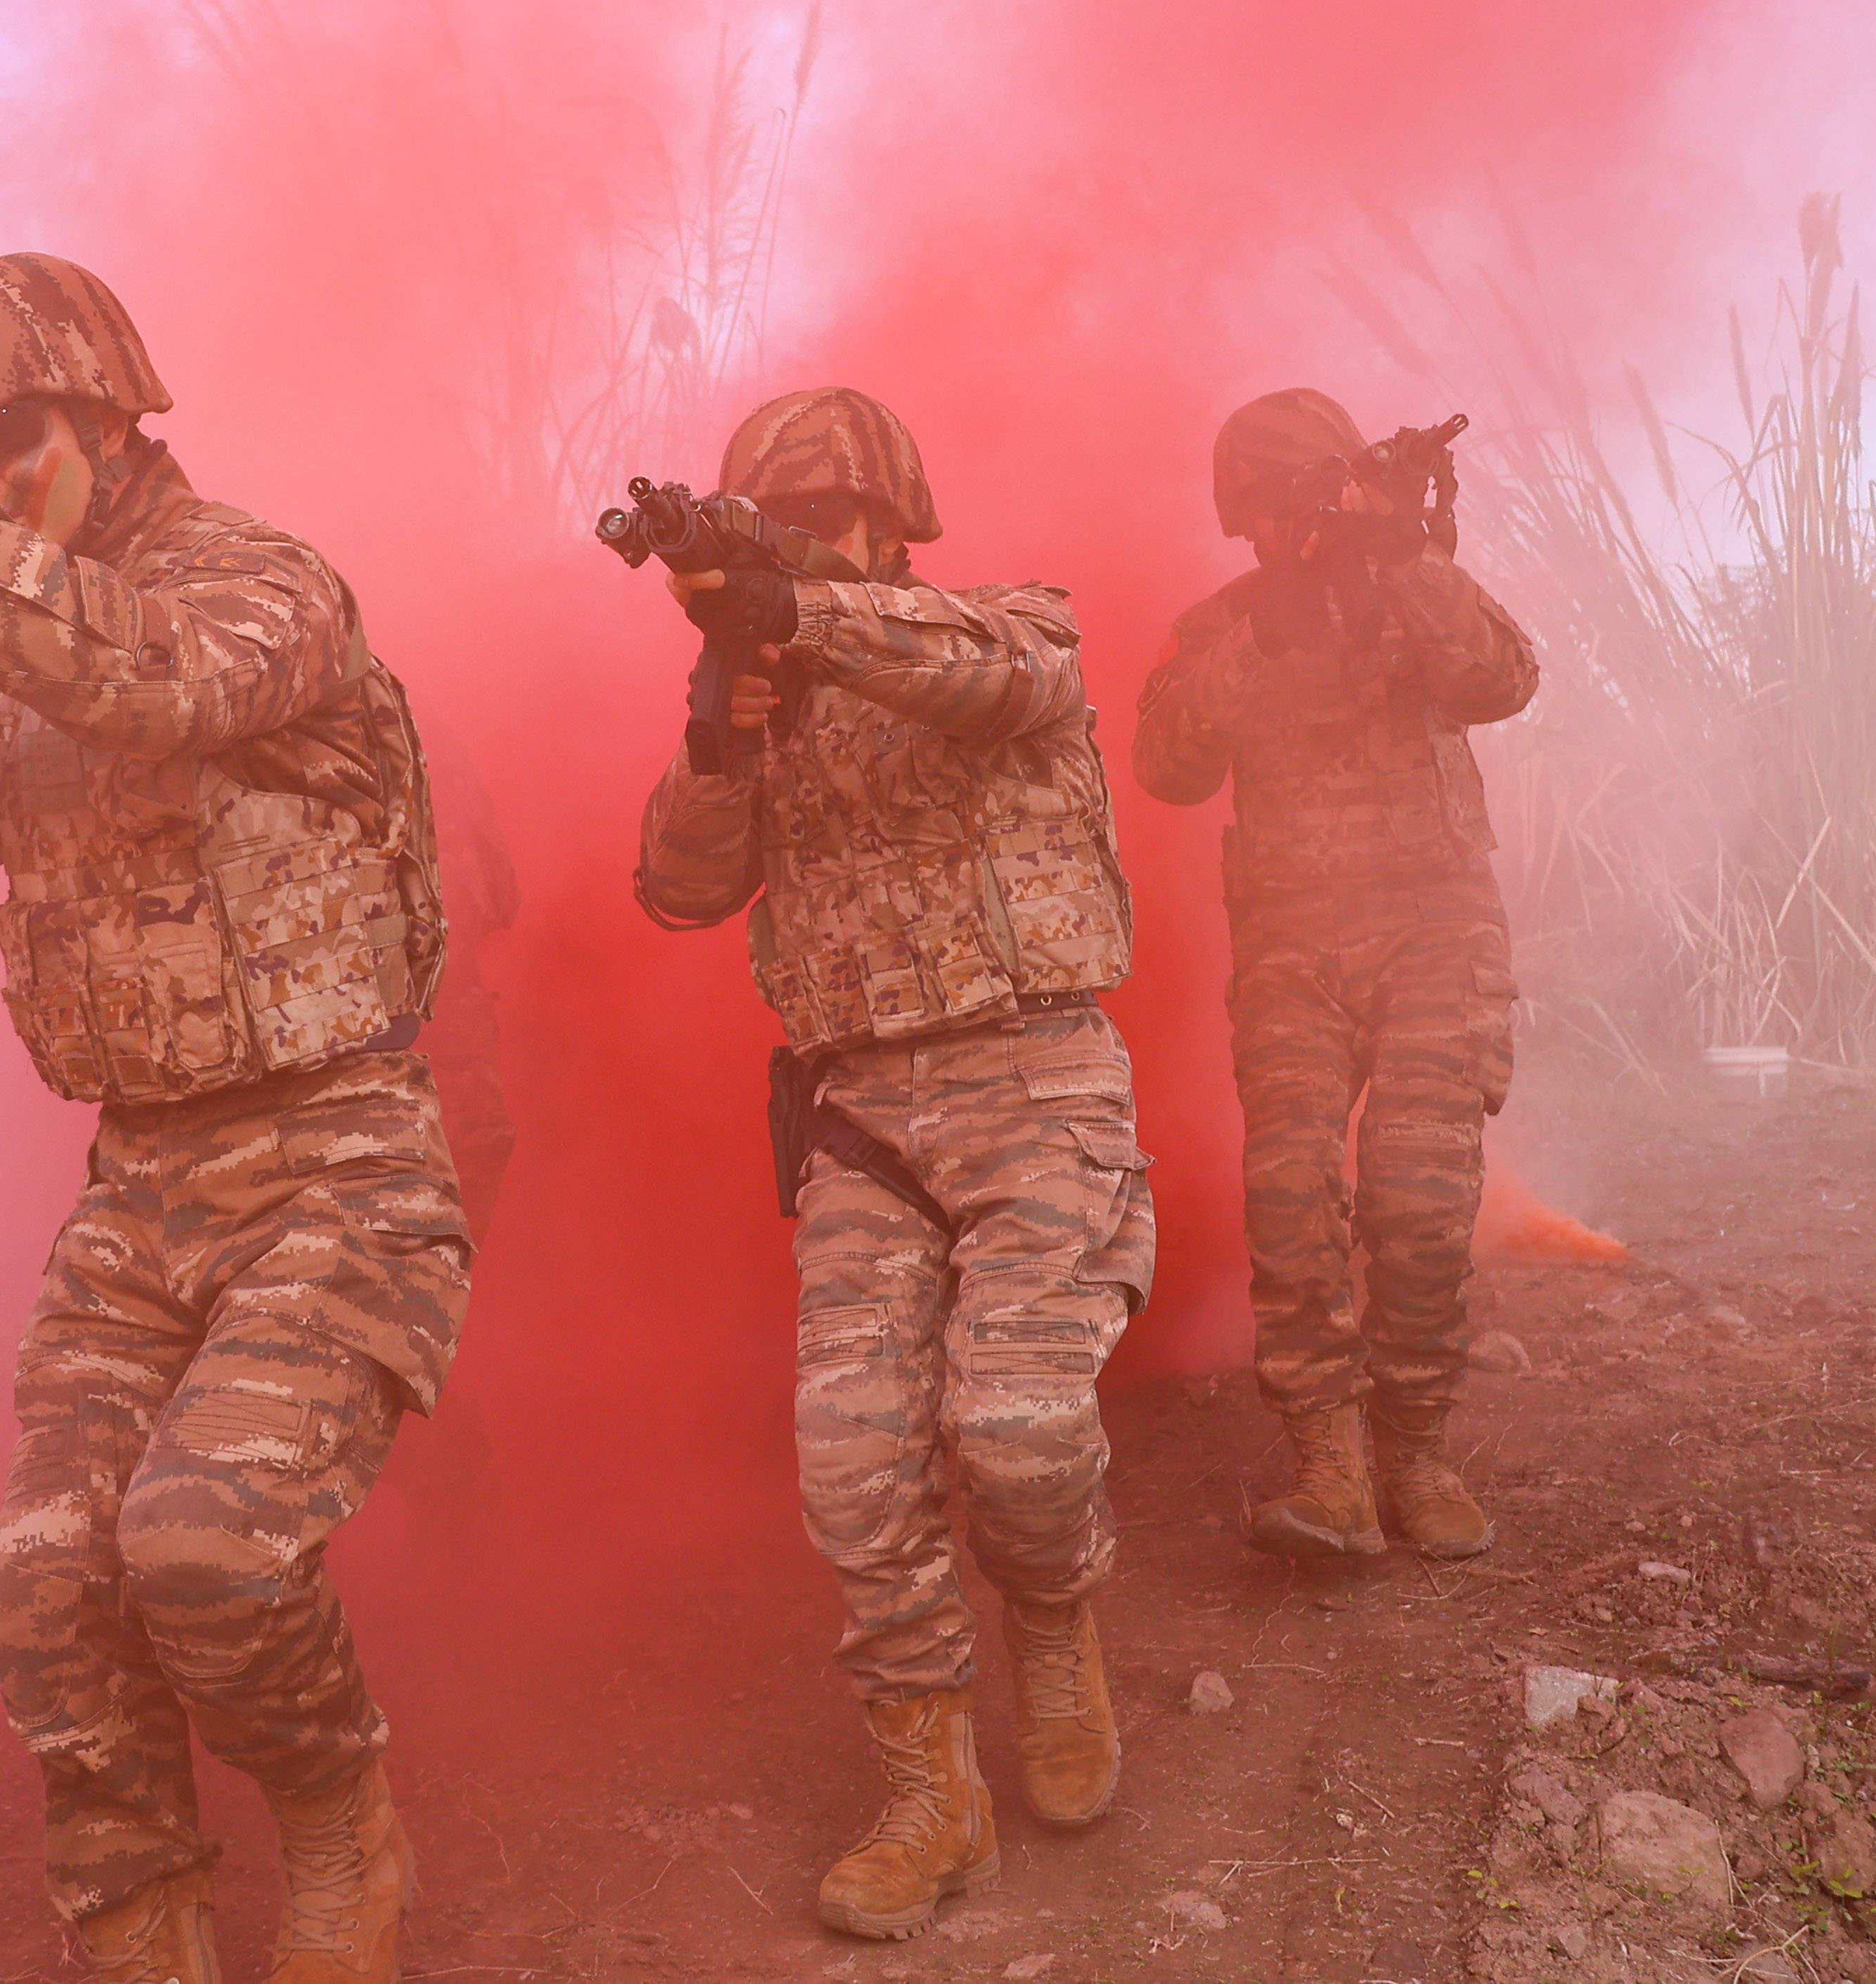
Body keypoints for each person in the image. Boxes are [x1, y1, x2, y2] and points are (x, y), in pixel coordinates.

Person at [0, 253, 467, 1984]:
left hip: (337, 1163)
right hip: (141, 1178)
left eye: (8, 435)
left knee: (203, 1548)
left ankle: (343, 1816)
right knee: (48, 1584)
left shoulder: (251, 580)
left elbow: (156, 684)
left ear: (115, 414)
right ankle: (141, 1929)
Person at [630, 387, 1152, 1945]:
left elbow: (1005, 678)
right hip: (864, 1117)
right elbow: (674, 889)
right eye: (791, 528)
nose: (823, 549)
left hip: (1036, 1078)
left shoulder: (1003, 627)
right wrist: (721, 719)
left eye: (840, 524)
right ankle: (934, 1795)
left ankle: (1054, 1626)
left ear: (892, 526)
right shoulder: (765, 697)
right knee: (855, 1458)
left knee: (1021, 1427)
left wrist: (811, 616)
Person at [1133, 388, 1539, 1564]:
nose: (1283, 532)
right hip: (1293, 944)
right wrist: (1268, 623)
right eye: (1265, 514)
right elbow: (1164, 765)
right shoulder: (1229, 623)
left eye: (1300, 505)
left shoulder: (1415, 584)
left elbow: (1501, 679)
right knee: (1291, 1196)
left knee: (1421, 1200)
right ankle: (1330, 1464)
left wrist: (1398, 554)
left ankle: (1412, 1447)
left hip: (1433, 929)